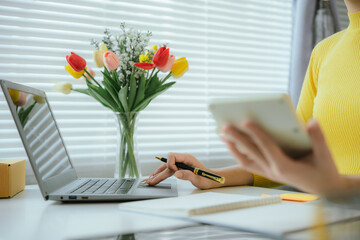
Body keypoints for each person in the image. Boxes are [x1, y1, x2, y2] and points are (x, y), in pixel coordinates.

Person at [146, 0, 360, 195]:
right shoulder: (324, 52)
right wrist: (211, 176)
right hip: (325, 220)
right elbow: (290, 161)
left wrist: (339, 188)